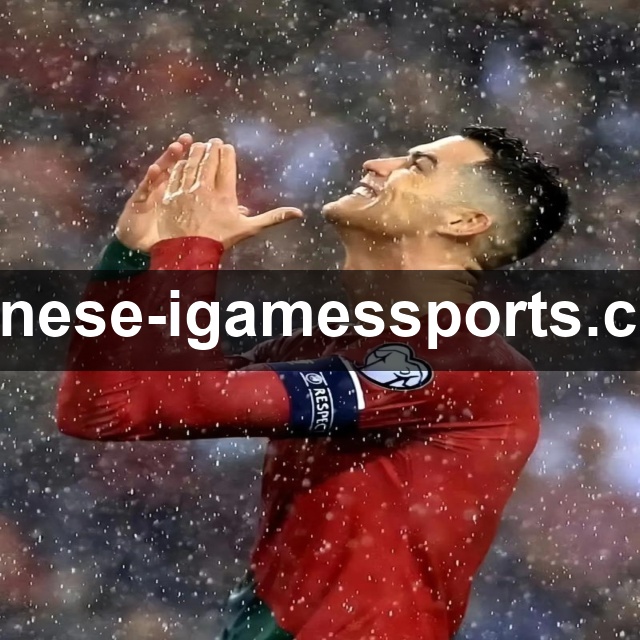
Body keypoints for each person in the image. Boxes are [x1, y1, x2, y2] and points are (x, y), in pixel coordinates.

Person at [57, 126, 570, 640]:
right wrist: (130, 259)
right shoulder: (325, 341)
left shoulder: (465, 357)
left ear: (464, 221)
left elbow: (188, 395)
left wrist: (190, 249)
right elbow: (103, 410)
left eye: (418, 165)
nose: (376, 163)